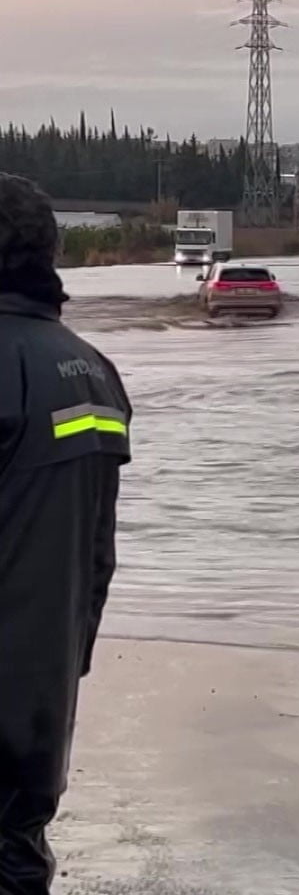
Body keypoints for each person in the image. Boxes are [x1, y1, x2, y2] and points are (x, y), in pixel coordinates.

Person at [0, 174, 131, 893]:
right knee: (17, 855)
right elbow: (98, 556)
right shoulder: (93, 372)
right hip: (40, 691)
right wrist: (67, 658)